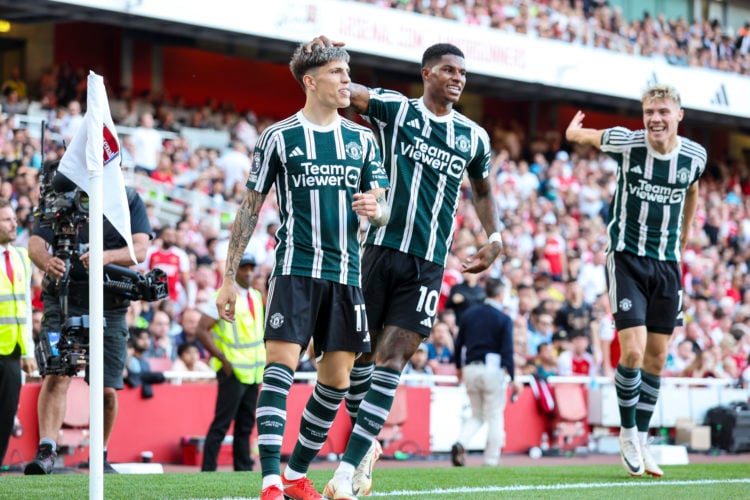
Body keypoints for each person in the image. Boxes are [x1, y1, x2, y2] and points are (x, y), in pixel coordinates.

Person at [305, 37, 503, 499]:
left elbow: (484, 190)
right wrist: (330, 59)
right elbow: (345, 91)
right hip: (376, 250)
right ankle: (366, 445)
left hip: (428, 263)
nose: (457, 78)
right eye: (449, 70)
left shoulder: (474, 137)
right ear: (427, 73)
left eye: (463, 73)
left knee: (392, 360)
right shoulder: (397, 111)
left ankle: (345, 469)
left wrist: (494, 238)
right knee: (353, 359)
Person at [214, 42, 389, 500]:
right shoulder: (279, 136)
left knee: (335, 382)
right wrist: (228, 277)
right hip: (295, 269)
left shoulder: (363, 139)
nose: (346, 80)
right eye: (337, 72)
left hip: (348, 275)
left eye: (347, 71)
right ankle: (270, 481)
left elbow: (383, 204)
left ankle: (295, 474)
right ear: (311, 82)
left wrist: (378, 208)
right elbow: (249, 209)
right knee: (281, 368)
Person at [565, 83, 707, 478]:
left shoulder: (695, 156)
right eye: (649, 112)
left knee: (658, 358)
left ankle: (643, 441)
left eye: (663, 111)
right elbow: (590, 137)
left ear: (678, 115)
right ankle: (627, 433)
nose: (655, 119)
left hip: (667, 264)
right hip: (627, 258)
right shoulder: (628, 144)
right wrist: (573, 131)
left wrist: (685, 233)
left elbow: (692, 190)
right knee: (632, 352)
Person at [24, 179, 151, 475]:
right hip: (64, 298)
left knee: (107, 388)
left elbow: (140, 250)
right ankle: (46, 450)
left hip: (111, 303)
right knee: (57, 374)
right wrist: (48, 261)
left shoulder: (128, 198)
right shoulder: (59, 197)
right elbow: (34, 245)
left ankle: (100, 454)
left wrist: (105, 257)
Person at [196, 253, 265, 472]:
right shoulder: (222, 295)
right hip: (232, 371)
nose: (247, 272)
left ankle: (243, 469)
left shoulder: (255, 295)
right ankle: (208, 470)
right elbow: (200, 330)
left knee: (245, 425)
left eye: (250, 267)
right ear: (234, 271)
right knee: (222, 424)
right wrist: (223, 359)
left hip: (254, 372)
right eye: (243, 268)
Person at [450, 278, 518, 468]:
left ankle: (461, 442)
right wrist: (513, 376)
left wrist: (458, 367)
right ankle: (491, 459)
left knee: (477, 414)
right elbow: (507, 351)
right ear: (500, 293)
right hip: (492, 369)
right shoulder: (503, 318)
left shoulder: (469, 314)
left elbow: (458, 344)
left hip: (470, 368)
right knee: (495, 414)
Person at [0, 199, 35, 467]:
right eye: (7, 220)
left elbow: (24, 308)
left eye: (13, 218)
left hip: (12, 351)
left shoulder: (22, 257)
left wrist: (28, 351)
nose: (15, 223)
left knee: (6, 414)